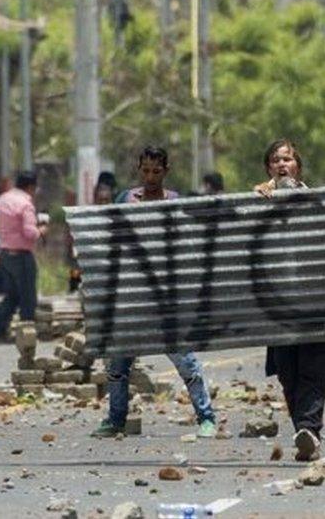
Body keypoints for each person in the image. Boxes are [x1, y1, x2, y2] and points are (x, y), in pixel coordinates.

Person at [91, 146, 218, 439]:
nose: (150, 177)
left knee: (185, 361)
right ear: (139, 169)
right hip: (132, 295)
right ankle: (116, 420)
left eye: (156, 171)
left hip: (165, 297)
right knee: (118, 364)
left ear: (166, 171)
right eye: (145, 170)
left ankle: (206, 418)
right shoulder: (126, 199)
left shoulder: (174, 202)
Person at [253, 138, 325, 461]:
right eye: (276, 160)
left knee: (313, 369)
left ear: (298, 167)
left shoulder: (318, 198)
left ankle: (310, 429)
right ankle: (304, 431)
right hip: (278, 310)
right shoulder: (260, 201)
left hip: (316, 305)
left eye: (288, 159)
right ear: (269, 168)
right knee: (287, 373)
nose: (282, 165)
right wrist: (255, 202)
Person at [0, 170, 47, 340]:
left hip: (5, 254)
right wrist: (41, 230)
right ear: (30, 187)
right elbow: (30, 233)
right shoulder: (26, 204)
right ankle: (26, 333)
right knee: (28, 297)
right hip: (22, 257)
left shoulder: (3, 199)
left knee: (12, 295)